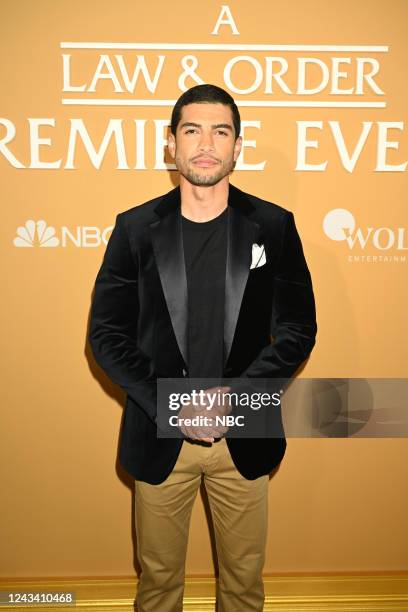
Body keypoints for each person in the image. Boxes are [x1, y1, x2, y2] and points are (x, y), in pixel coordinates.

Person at [88, 83, 317, 612]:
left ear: (238, 146)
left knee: (243, 585)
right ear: (171, 143)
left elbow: (298, 329)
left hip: (246, 431)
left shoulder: (275, 226)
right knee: (159, 583)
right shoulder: (135, 228)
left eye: (221, 131)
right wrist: (173, 405)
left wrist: (233, 398)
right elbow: (107, 334)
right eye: (192, 130)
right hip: (159, 430)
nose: (206, 143)